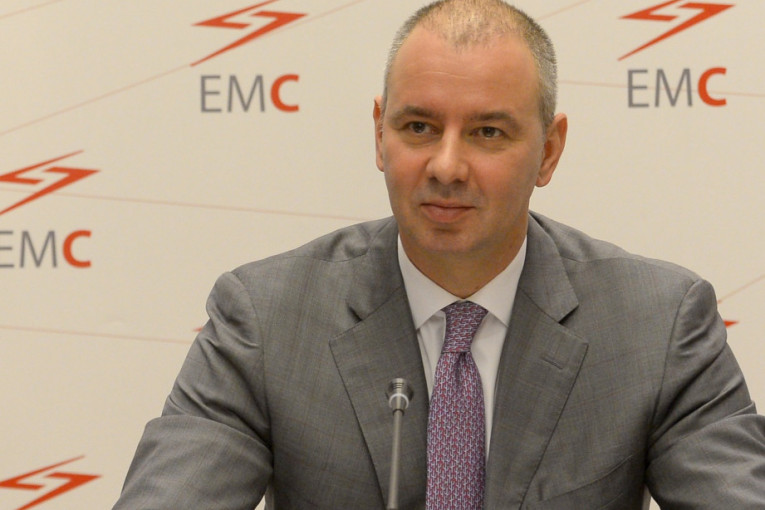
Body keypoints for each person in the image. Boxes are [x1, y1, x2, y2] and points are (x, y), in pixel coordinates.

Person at [113, 0, 765, 508]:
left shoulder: (656, 326)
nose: (446, 166)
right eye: (419, 127)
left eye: (488, 132)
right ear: (379, 134)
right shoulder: (267, 319)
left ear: (548, 151)